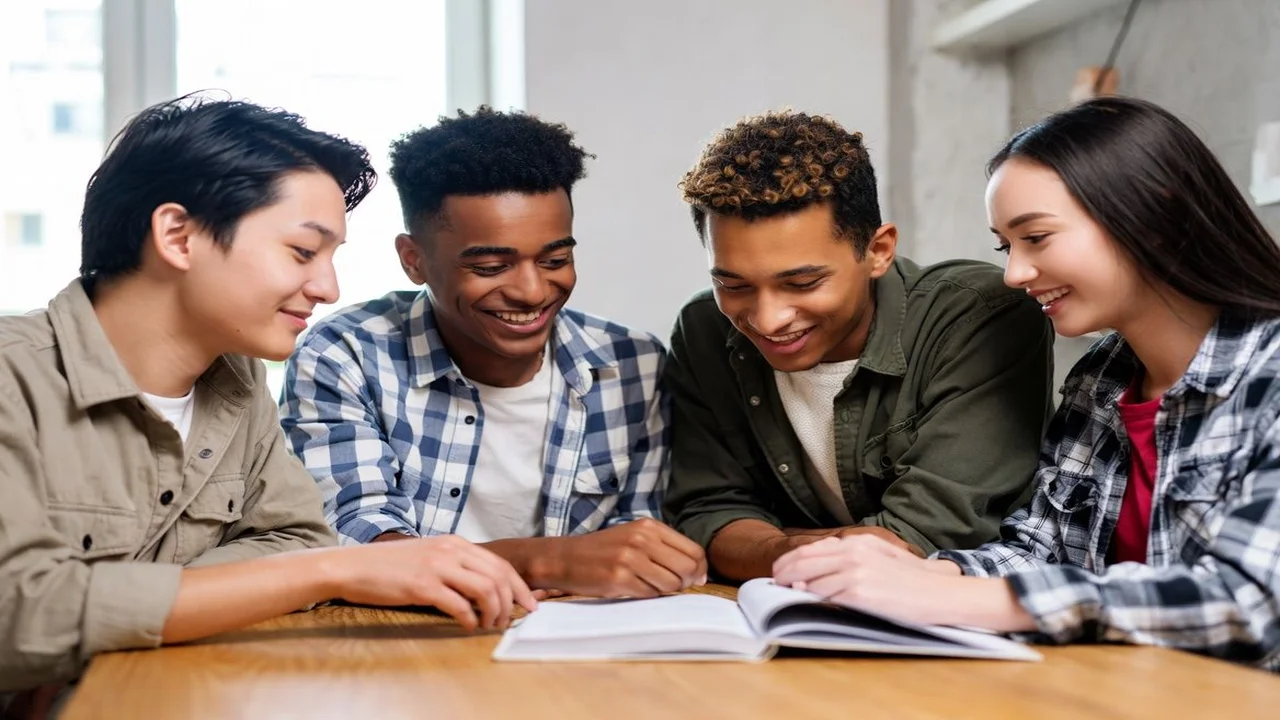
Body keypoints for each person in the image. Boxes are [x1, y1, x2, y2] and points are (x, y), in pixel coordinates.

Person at [0, 97, 536, 707]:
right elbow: (19, 613)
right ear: (178, 236)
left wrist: (98, 616)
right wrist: (335, 571)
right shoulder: (12, 378)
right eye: (303, 252)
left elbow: (296, 537)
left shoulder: (237, 379)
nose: (328, 288)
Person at [773, 96, 1280, 671]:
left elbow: (1252, 602)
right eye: (1004, 246)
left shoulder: (1269, 374)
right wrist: (925, 575)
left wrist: (968, 597)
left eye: (1035, 238)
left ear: (1153, 216)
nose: (1014, 274)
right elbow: (1041, 548)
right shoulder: (1102, 377)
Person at [281, 107, 705, 599]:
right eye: (490, 267)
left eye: (555, 260)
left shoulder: (634, 365)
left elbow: (638, 536)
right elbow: (355, 540)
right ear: (413, 260)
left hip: (576, 639)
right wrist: (547, 561)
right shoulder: (346, 353)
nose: (530, 290)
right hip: (402, 645)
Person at [664, 110, 1054, 581]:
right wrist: (831, 547)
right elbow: (708, 517)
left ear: (878, 251)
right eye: (735, 285)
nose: (767, 318)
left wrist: (766, 545)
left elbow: (927, 539)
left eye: (803, 282)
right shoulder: (704, 328)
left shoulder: (979, 315)